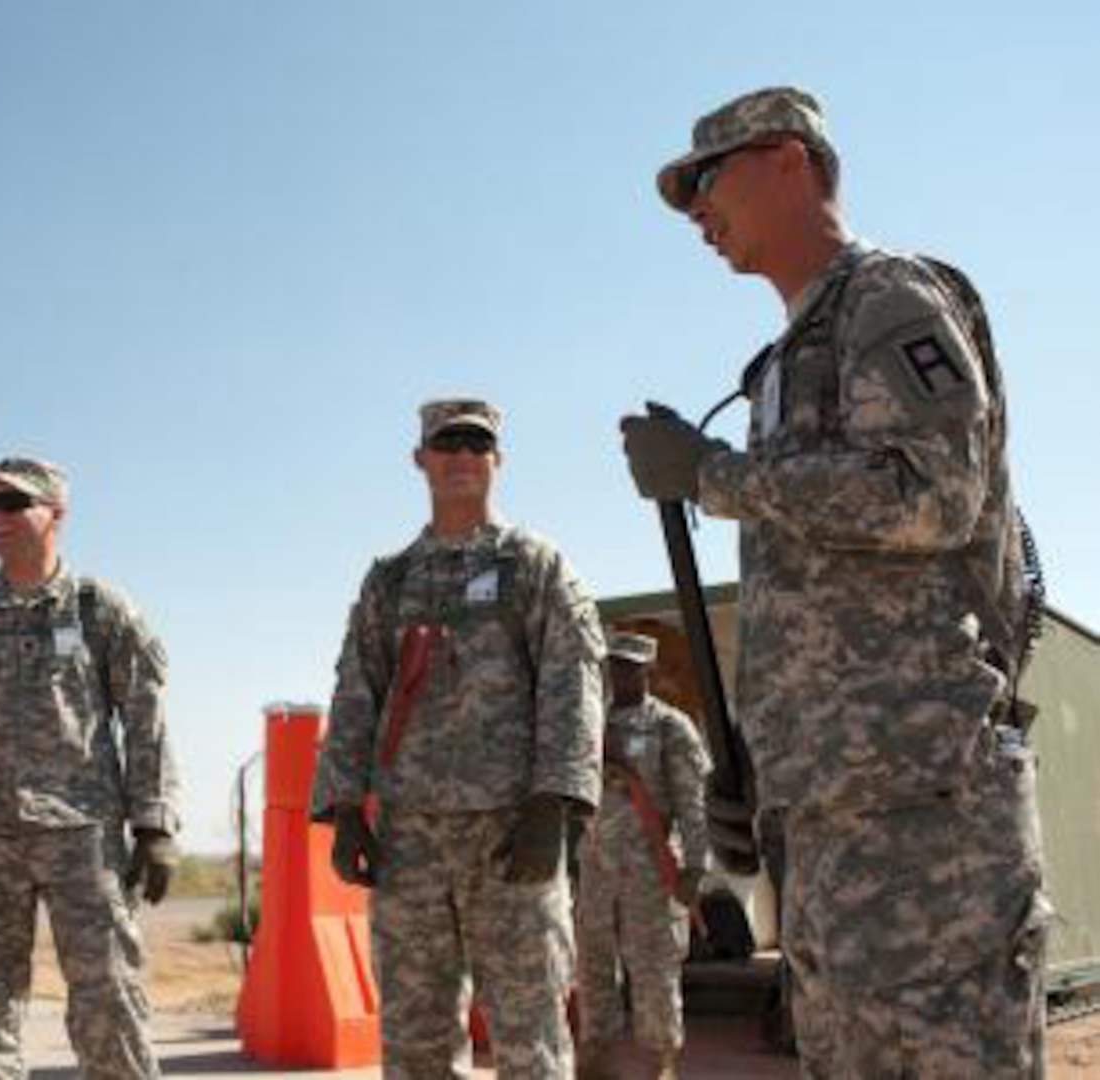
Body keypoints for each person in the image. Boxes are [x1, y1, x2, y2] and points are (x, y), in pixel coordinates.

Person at [622, 87, 1049, 1076]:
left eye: (706, 178)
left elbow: (931, 496)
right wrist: (763, 776)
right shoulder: (782, 361)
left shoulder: (887, 298)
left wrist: (710, 475)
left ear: (787, 159)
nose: (694, 212)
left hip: (925, 814)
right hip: (828, 823)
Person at [311, 399, 606, 1079]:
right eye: (447, 443)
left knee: (528, 1029)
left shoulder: (533, 564)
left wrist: (552, 801)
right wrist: (346, 809)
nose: (462, 456)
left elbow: (571, 681)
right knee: (414, 1032)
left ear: (497, 461)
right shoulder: (389, 578)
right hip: (408, 837)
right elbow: (357, 688)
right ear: (420, 459)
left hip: (510, 828)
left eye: (478, 444)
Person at [0, 456, 180, 1080]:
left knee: (110, 1004)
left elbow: (146, 717)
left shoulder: (101, 610)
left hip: (84, 839)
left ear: (56, 514)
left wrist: (155, 824)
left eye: (16, 504)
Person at [574, 632, 710, 1080]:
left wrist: (695, 865)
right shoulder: (592, 726)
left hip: (650, 872)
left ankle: (660, 1063)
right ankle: (597, 1060)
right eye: (615, 664)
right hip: (595, 871)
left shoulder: (671, 726)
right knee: (593, 971)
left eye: (631, 665)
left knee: (653, 973)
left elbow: (693, 803)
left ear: (648, 670)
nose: (621, 673)